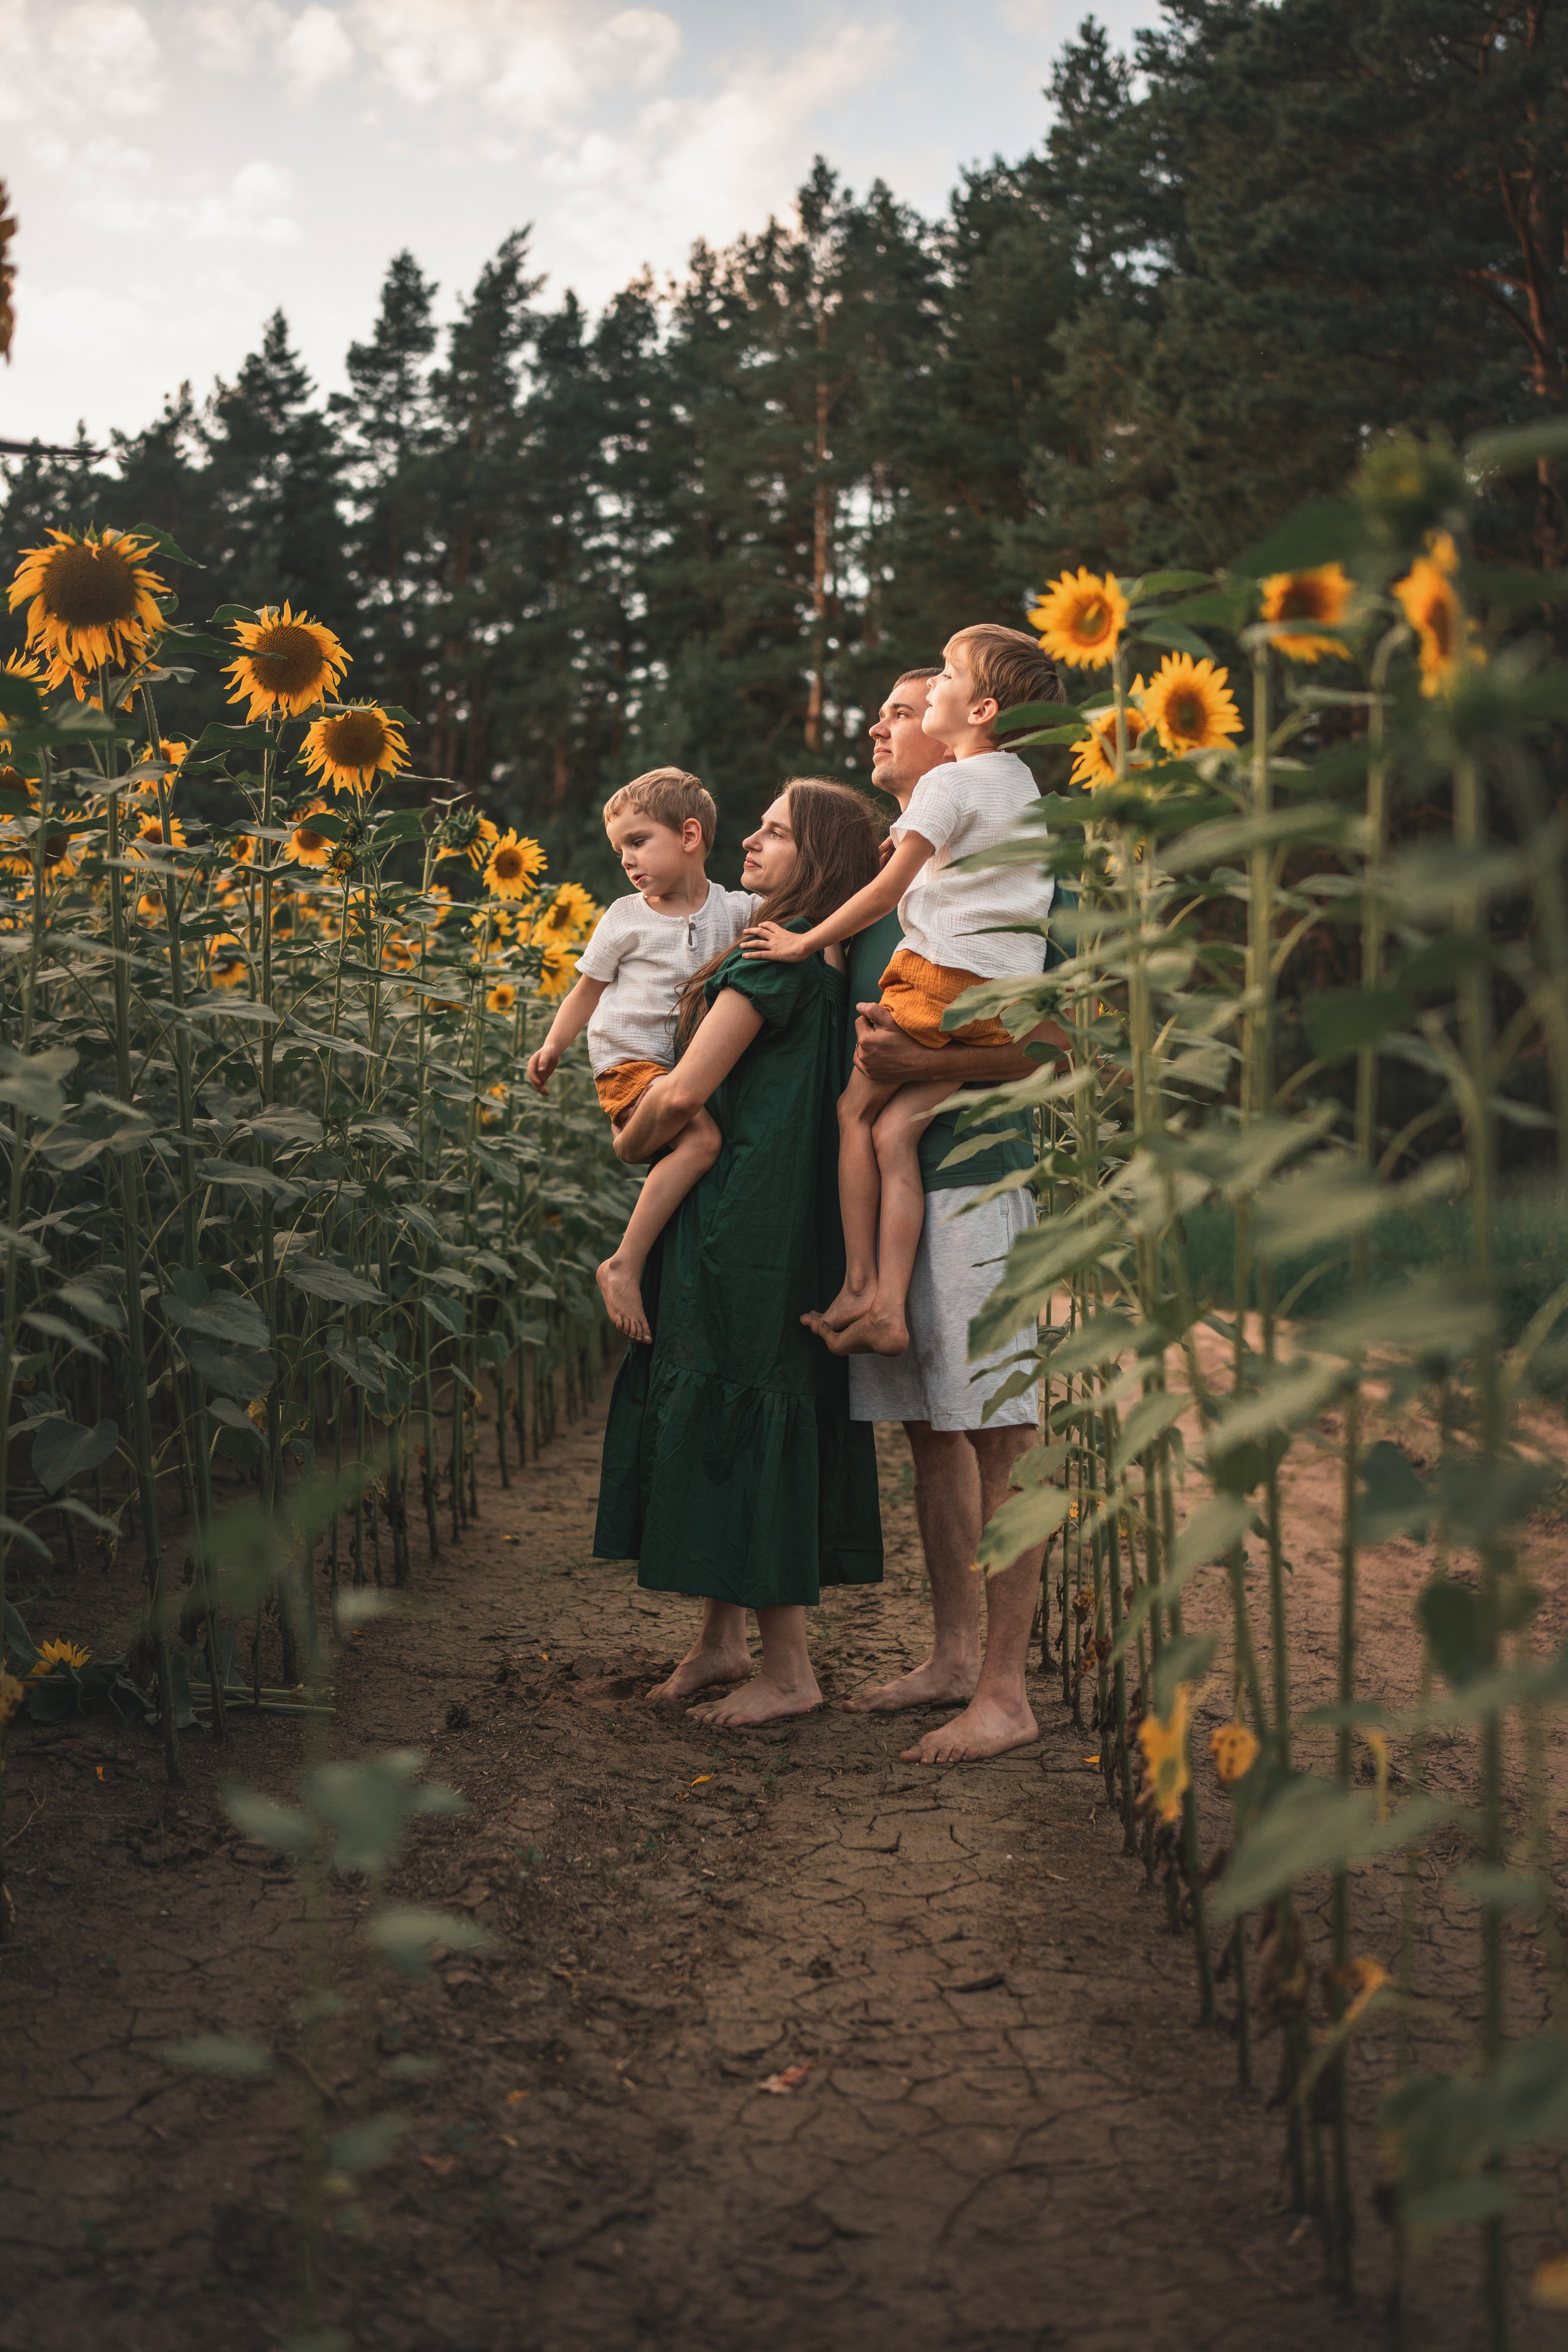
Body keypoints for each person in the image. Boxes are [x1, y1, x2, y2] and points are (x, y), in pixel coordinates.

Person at [593, 778, 885, 1727]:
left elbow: (681, 1098)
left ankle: (790, 1671)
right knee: (738, 1395)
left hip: (744, 1219)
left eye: (774, 833)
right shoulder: (823, 961)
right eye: (755, 827)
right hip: (770, 1209)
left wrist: (630, 1140)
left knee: (743, 1396)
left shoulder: (773, 968)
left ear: (821, 861)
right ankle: (721, 1643)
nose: (750, 844)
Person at [841, 667, 1069, 1764]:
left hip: (979, 1173)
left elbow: (1065, 1043)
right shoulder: (916, 884)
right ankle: (948, 1656)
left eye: (903, 708)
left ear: (960, 732)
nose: (885, 725)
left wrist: (923, 1054)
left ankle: (1007, 1693)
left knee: (999, 1431)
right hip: (902, 1187)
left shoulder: (1012, 867)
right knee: (932, 1430)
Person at [742, 624, 1062, 1357]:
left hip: (941, 988)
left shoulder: (950, 782)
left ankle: (861, 1285)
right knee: (894, 1132)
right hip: (998, 1000)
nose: (897, 716)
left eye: (941, 683)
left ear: (978, 711)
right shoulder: (1023, 791)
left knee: (857, 1115)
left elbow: (888, 890)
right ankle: (886, 1304)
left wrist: (801, 941)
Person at [524, 767, 754, 1346]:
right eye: (619, 849)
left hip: (687, 1068)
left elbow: (805, 897)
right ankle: (622, 1263)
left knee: (706, 1149)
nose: (627, 860)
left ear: (690, 835)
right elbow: (587, 990)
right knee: (703, 1143)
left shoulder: (733, 910)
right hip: (629, 1063)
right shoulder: (626, 916)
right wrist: (554, 1046)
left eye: (638, 841)